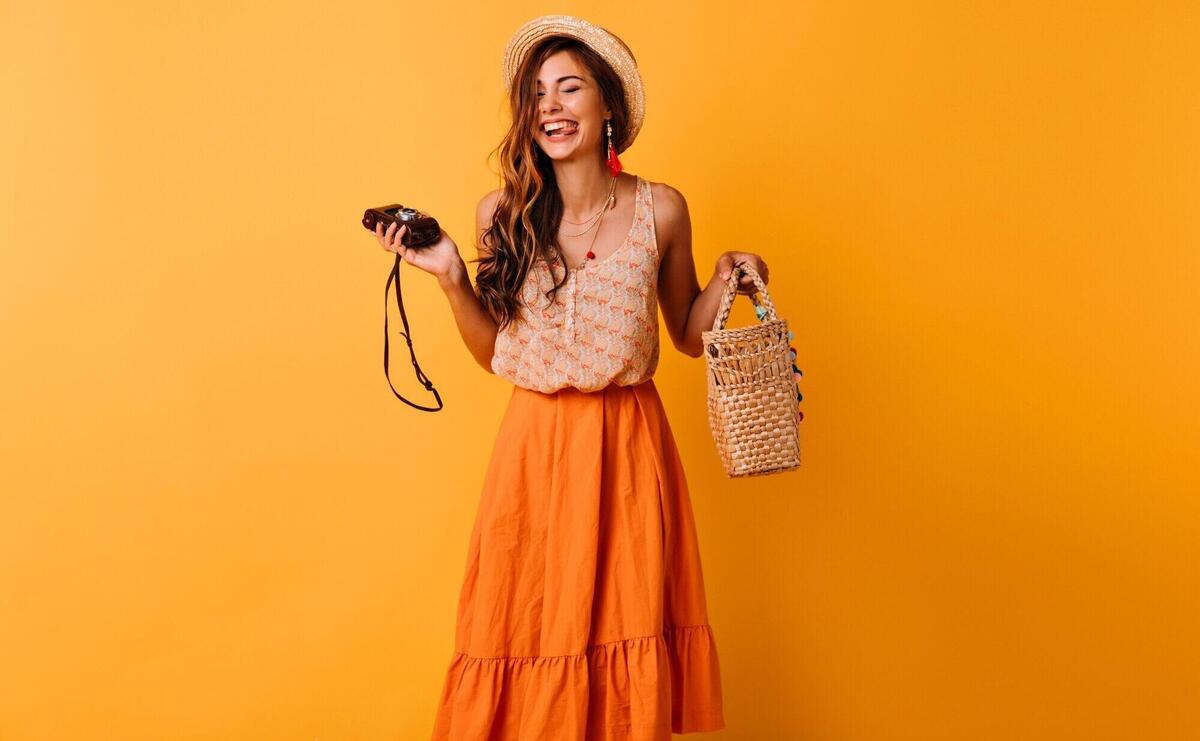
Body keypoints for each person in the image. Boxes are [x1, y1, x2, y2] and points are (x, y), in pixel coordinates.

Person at [372, 14, 769, 740]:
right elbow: (497, 354)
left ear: (607, 106)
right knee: (523, 625)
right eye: (538, 95)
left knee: (625, 629)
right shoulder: (503, 213)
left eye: (570, 88)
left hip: (629, 449)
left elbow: (685, 334)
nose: (551, 107)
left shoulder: (662, 209)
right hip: (534, 454)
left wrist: (725, 280)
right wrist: (453, 278)